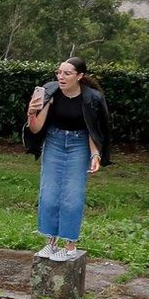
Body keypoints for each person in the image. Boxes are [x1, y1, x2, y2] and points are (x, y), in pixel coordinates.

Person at [27, 56, 112, 261]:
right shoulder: (50, 91)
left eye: (67, 73)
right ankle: (50, 243)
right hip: (54, 142)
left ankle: (70, 246)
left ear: (80, 76)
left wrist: (95, 154)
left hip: (78, 145)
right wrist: (31, 112)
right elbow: (36, 128)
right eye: (59, 72)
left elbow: (93, 130)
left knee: (72, 196)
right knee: (49, 194)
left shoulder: (91, 98)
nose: (61, 77)